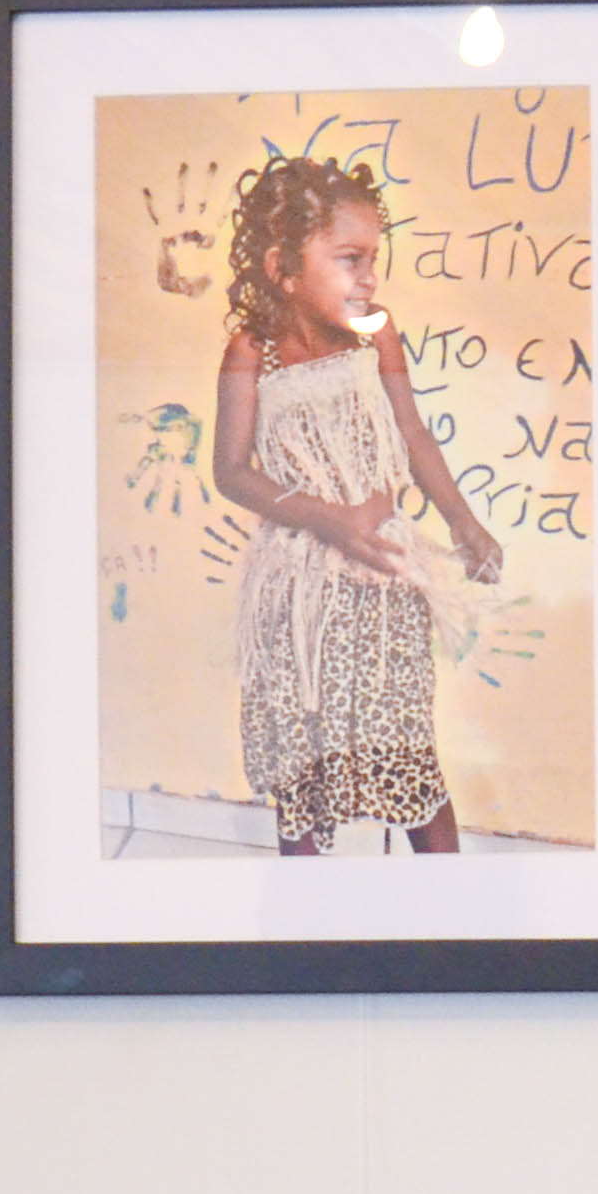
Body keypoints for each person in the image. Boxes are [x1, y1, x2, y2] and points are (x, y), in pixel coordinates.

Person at [206, 155, 508, 858]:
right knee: (306, 767)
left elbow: (413, 433)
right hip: (299, 594)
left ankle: (451, 909)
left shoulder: (377, 331)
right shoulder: (252, 352)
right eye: (349, 259)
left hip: (382, 585)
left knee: (406, 752)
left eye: (373, 258)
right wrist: (330, 519)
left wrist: (463, 521)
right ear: (283, 267)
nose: (369, 277)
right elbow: (231, 472)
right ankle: (308, 910)